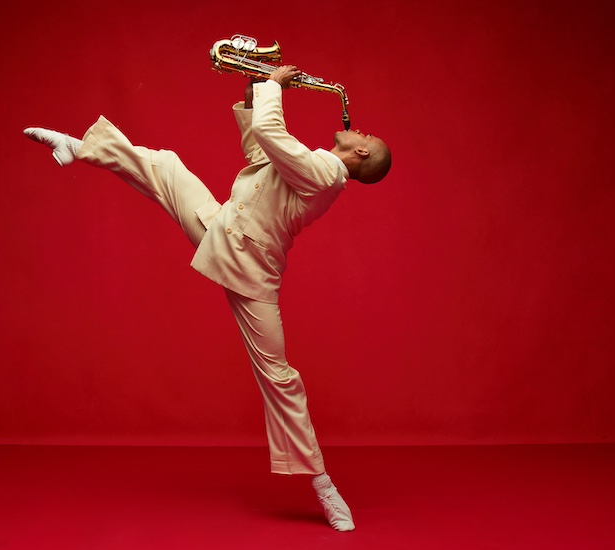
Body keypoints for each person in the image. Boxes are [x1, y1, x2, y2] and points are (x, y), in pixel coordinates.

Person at [24, 65, 391, 532]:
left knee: (279, 377)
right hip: (222, 229)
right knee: (167, 166)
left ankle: (322, 485)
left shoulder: (326, 175)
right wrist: (254, 90)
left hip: (251, 268)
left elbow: (270, 130)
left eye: (369, 135)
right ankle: (77, 147)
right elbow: (262, 148)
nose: (361, 128)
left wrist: (273, 87)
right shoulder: (313, 161)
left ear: (360, 152)